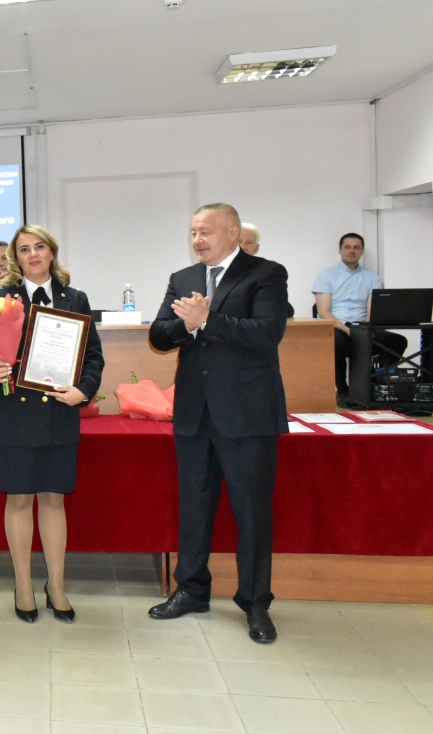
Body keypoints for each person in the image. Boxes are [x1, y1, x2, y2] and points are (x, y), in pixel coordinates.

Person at [147, 203, 288, 644]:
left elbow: (267, 333)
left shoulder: (265, 273)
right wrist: (186, 328)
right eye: (192, 232)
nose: (197, 239)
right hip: (194, 412)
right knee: (194, 506)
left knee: (251, 512)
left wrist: (207, 320)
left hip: (247, 414)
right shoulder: (183, 279)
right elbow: (158, 334)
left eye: (205, 231)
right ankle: (190, 589)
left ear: (232, 231)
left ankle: (255, 603)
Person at [0, 225, 103, 624]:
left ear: (51, 252)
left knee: (55, 499)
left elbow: (93, 357)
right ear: (16, 257)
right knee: (20, 499)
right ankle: (24, 584)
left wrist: (84, 389)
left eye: (39, 246)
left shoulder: (74, 299)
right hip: (14, 414)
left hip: (59, 412)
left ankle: (56, 585)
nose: (33, 254)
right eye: (24, 249)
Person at [313, 232, 407, 400]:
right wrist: (347, 329)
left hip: (363, 326)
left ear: (362, 251)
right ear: (340, 250)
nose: (352, 251)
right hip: (337, 326)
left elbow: (373, 310)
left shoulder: (372, 277)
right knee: (335, 343)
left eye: (356, 248)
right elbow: (324, 312)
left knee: (398, 341)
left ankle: (372, 383)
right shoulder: (326, 275)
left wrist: (363, 328)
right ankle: (343, 391)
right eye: (347, 247)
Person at [241, 224, 294, 317]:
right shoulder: (215, 269)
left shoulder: (266, 273)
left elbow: (286, 309)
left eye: (249, 242)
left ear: (256, 248)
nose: (243, 247)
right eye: (239, 241)